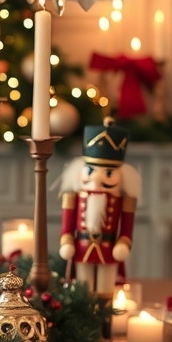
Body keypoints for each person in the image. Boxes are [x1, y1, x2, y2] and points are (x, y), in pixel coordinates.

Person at [58, 116, 141, 298]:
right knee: (83, 292)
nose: (97, 179)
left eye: (109, 173)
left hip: (108, 249)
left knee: (106, 293)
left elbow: (126, 229)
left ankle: (105, 322)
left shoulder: (124, 200)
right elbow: (67, 226)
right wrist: (66, 241)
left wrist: (123, 243)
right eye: (90, 171)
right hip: (82, 247)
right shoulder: (73, 197)